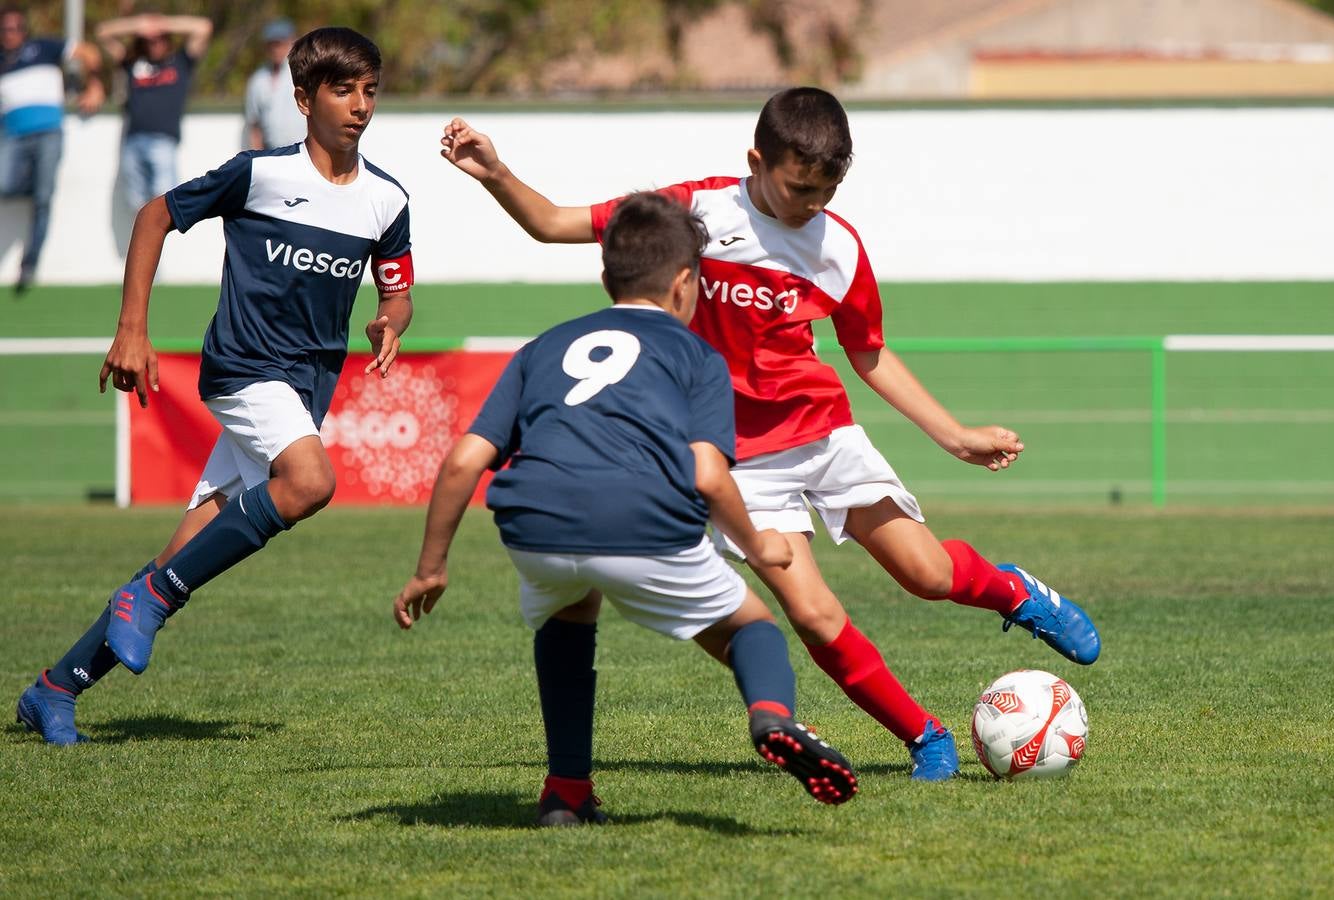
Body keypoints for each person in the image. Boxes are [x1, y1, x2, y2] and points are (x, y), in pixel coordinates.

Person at [438, 87, 1101, 783]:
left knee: (927, 574)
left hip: (823, 434)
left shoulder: (838, 246)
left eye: (828, 189)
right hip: (742, 462)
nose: (811, 203)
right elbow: (552, 224)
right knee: (814, 616)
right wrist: (497, 174)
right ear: (755, 160)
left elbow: (868, 350)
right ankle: (923, 736)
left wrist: (953, 435)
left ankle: (1017, 594)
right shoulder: (694, 212)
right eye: (797, 187)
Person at [391, 192, 858, 824]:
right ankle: (772, 719)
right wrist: (759, 545)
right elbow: (708, 474)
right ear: (686, 285)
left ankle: (566, 793)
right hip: (643, 525)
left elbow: (462, 462)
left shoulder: (544, 345)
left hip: (534, 525)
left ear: (606, 276)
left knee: (569, 606)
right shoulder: (697, 356)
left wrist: (430, 567)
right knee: (753, 629)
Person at [15, 27, 413, 746]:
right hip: (244, 369)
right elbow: (154, 215)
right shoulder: (259, 174)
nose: (360, 105)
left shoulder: (386, 200)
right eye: (343, 90)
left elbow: (398, 287)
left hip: (301, 391)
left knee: (185, 554)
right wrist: (132, 328)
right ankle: (154, 600)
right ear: (302, 98)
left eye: (370, 91)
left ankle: (55, 688)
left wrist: (391, 319)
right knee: (310, 482)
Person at [0, 3, 104, 293]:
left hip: (47, 133)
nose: (12, 34)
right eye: (6, 29)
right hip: (13, 136)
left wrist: (94, 85)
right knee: (5, 184)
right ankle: (37, 182)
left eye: (17, 28)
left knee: (43, 199)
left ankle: (29, 264)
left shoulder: (44, 47)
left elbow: (89, 52)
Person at [96, 11, 211, 212]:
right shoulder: (133, 62)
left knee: (165, 204)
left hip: (163, 141)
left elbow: (203, 27)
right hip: (133, 141)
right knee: (137, 207)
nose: (155, 43)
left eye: (159, 39)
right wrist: (139, 25)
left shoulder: (180, 61)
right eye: (150, 40)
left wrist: (164, 24)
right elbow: (103, 33)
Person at [243, 18, 305, 151]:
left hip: (303, 150)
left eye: (280, 44)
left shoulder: (301, 72)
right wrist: (258, 156)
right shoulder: (258, 80)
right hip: (272, 152)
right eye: (272, 44)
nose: (276, 49)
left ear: (292, 42)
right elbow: (254, 124)